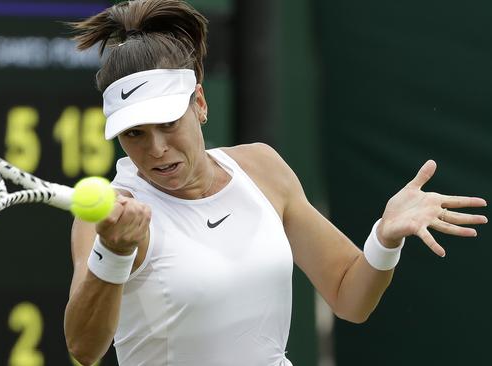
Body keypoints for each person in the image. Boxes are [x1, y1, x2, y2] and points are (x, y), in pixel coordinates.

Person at [63, 1, 488, 365]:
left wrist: (385, 236)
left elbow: (349, 295)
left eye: (168, 124)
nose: (155, 148)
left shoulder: (261, 168)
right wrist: (115, 253)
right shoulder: (109, 219)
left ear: (200, 103)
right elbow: (84, 348)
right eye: (134, 134)